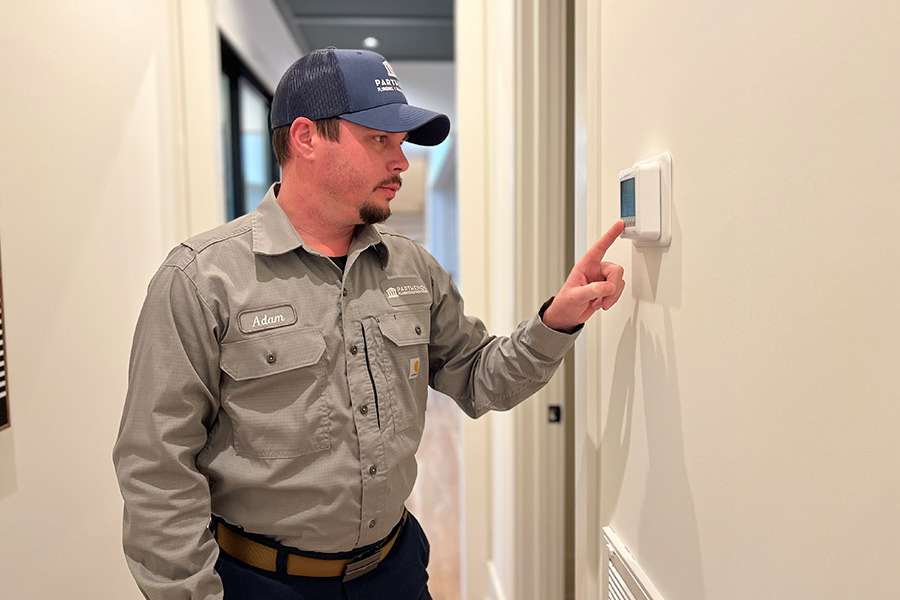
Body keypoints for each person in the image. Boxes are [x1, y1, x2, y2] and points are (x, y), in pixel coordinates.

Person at [113, 48, 626, 600]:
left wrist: (559, 319)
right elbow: (156, 468)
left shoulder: (413, 268)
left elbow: (480, 378)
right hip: (258, 584)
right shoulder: (200, 279)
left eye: (401, 144)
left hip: (394, 573)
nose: (402, 162)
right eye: (380, 139)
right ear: (306, 137)